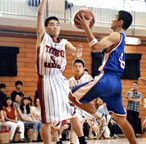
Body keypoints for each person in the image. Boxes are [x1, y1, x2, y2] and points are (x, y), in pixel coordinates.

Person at [69, 10, 138, 144]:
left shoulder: (116, 35)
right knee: (121, 119)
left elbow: (95, 47)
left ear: (120, 22)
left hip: (106, 78)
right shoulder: (121, 38)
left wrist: (86, 27)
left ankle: (99, 117)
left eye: (115, 17)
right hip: (116, 83)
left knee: (71, 96)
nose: (112, 20)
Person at [36, 0, 86, 144]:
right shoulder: (42, 37)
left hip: (60, 80)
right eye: (52, 24)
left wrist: (78, 52)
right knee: (48, 121)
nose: (55, 27)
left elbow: (75, 53)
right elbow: (40, 13)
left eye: (58, 25)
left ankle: (82, 141)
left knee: (73, 111)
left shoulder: (63, 42)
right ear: (46, 27)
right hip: (46, 80)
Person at [68, 58, 93, 143]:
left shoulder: (88, 78)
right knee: (74, 127)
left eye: (80, 66)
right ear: (72, 68)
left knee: (95, 128)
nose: (78, 68)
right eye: (76, 66)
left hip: (87, 105)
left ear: (83, 68)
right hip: (76, 106)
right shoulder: (69, 81)